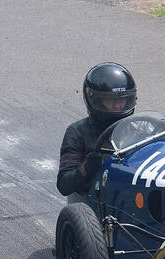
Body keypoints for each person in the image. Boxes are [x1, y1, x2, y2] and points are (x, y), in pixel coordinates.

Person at [56, 62, 137, 198]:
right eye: (111, 101)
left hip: (131, 195)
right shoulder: (77, 132)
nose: (118, 106)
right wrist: (86, 168)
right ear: (96, 101)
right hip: (93, 202)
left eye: (122, 100)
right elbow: (64, 185)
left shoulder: (139, 129)